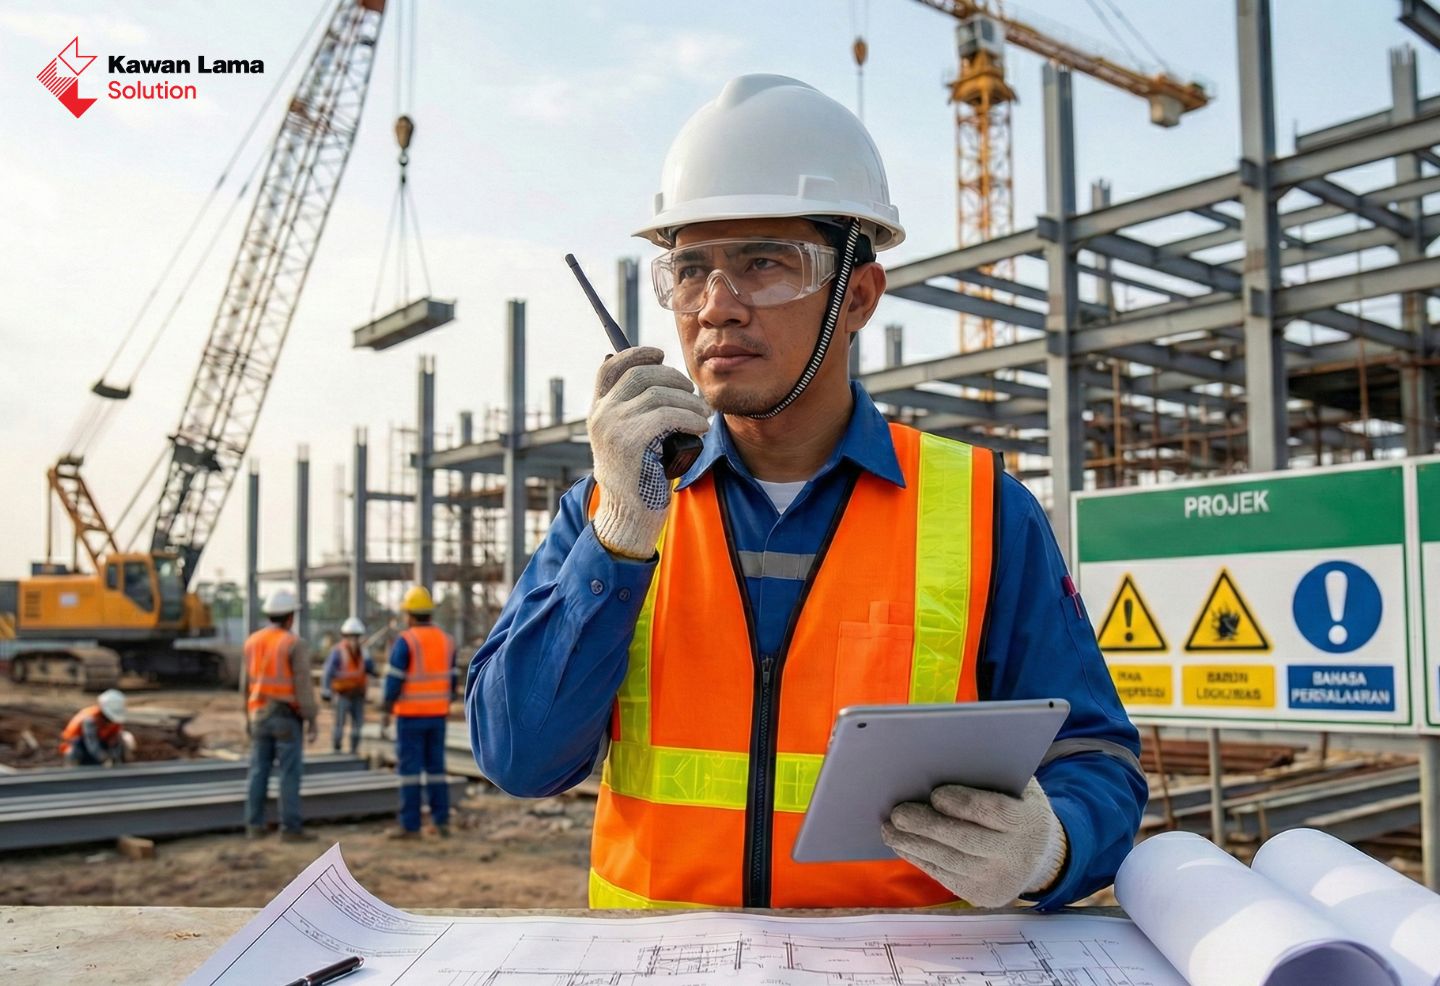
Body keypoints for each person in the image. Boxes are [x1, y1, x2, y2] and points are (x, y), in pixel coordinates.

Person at [467, 74, 1145, 909]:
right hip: (666, 965)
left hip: (902, 966)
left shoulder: (983, 512)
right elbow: (519, 759)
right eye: (691, 270)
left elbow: (1096, 760)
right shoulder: (610, 513)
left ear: (857, 297)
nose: (717, 308)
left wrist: (1050, 846)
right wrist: (618, 538)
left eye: (764, 264)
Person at [241, 587, 318, 841]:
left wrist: (247, 718)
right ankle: (290, 829)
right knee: (289, 773)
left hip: (258, 714)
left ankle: (254, 826)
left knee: (258, 771)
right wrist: (311, 718)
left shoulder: (252, 642)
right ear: (290, 616)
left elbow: (245, 686)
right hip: (285, 716)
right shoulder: (294, 643)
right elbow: (303, 685)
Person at [381, 586, 457, 838]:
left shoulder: (406, 641)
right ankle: (441, 821)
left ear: (410, 615)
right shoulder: (446, 641)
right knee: (436, 770)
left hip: (410, 716)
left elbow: (394, 680)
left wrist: (386, 707)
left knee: (410, 773)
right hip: (437, 716)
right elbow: (453, 681)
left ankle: (410, 825)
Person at [322, 616, 376, 754]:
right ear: (345, 636)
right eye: (350, 636)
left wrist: (367, 658)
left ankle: (354, 750)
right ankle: (337, 749)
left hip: (358, 694)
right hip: (342, 694)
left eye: (356, 636)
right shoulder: (338, 651)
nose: (354, 640)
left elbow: (371, 670)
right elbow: (328, 672)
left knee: (358, 725)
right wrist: (326, 691)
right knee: (339, 723)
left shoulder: (363, 653)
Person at [60, 688, 134, 767]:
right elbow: (92, 743)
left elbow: (115, 739)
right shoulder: (90, 719)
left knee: (126, 738)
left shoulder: (115, 721)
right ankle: (75, 771)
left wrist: (115, 756)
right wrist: (105, 758)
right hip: (81, 749)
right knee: (75, 747)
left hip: (100, 745)